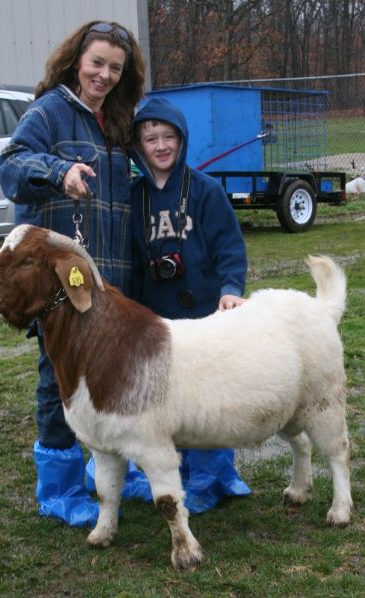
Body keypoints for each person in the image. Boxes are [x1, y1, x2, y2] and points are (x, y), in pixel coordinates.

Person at [0, 20, 146, 527]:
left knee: (115, 374)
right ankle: (58, 486)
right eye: (96, 63)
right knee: (55, 376)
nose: (103, 75)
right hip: (57, 285)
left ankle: (116, 465)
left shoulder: (121, 124)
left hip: (108, 281)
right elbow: (10, 165)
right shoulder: (50, 112)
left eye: (115, 68)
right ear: (76, 60)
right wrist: (58, 172)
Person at [128, 97, 251, 513]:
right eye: (151, 138)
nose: (161, 146)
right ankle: (171, 471)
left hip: (202, 314)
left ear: (181, 140)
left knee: (208, 398)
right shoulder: (134, 198)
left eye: (168, 137)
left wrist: (230, 287)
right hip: (156, 320)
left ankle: (214, 473)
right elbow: (128, 261)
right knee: (165, 398)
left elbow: (229, 247)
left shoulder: (205, 190)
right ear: (139, 145)